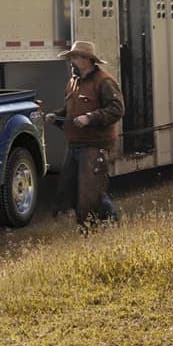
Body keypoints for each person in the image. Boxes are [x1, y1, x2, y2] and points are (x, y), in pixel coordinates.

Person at [46, 41, 125, 228]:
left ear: (86, 59)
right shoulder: (73, 82)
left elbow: (117, 109)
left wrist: (90, 118)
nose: (72, 60)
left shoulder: (104, 81)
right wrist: (56, 116)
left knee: (90, 191)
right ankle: (99, 225)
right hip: (75, 144)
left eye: (75, 57)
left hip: (94, 145)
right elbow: (70, 110)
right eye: (71, 57)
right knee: (73, 189)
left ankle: (106, 225)